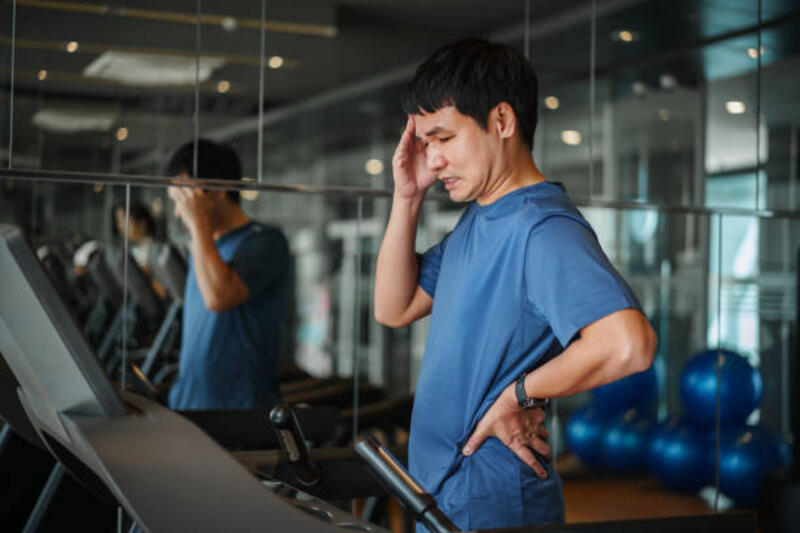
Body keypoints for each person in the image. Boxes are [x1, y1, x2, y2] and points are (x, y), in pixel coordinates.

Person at [374, 39, 656, 530]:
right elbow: (393, 308)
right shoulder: (479, 219)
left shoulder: (542, 228)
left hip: (492, 500)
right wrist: (407, 198)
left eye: (444, 138)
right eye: (425, 143)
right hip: (440, 494)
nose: (433, 159)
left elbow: (628, 345)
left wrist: (520, 394)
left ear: (502, 121)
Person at [166, 139, 290, 410]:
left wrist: (198, 224)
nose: (178, 212)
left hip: (237, 411)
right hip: (188, 403)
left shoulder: (266, 241)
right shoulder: (204, 247)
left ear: (218, 190)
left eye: (184, 199)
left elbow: (218, 297)